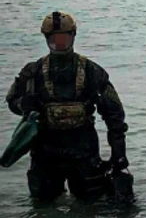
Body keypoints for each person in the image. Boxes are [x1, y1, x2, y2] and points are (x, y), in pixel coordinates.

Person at [5, 11, 129, 201]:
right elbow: (12, 100)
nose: (59, 43)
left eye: (63, 38)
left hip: (83, 150)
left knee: (92, 206)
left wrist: (119, 154)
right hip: (45, 151)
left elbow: (115, 116)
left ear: (73, 37)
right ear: (46, 39)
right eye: (54, 39)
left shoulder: (91, 71)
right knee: (42, 206)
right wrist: (23, 104)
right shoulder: (32, 72)